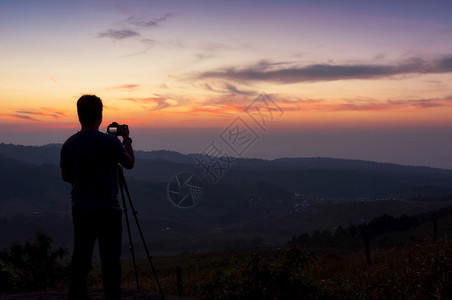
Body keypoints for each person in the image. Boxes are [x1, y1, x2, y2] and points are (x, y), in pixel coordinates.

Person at [60, 94, 135, 299]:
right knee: (110, 260)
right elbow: (129, 163)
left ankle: (77, 295)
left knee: (81, 256)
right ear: (100, 115)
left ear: (79, 115)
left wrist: (83, 179)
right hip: (108, 210)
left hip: (81, 209)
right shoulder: (110, 142)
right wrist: (126, 138)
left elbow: (66, 176)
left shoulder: (69, 144)